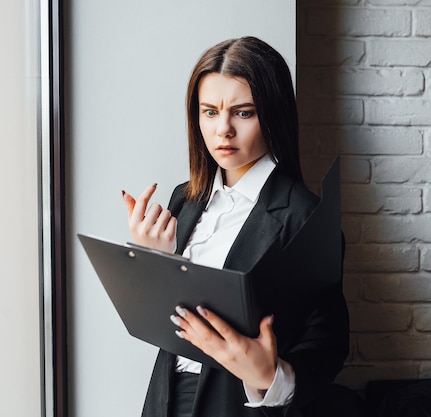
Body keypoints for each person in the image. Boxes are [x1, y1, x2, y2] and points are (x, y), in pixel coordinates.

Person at [122, 36, 349, 417]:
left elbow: (328, 346)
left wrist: (270, 375)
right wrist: (154, 261)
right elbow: (173, 323)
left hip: (239, 406)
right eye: (209, 112)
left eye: (243, 113)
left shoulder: (304, 216)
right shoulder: (185, 198)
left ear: (273, 115)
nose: (223, 130)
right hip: (166, 398)